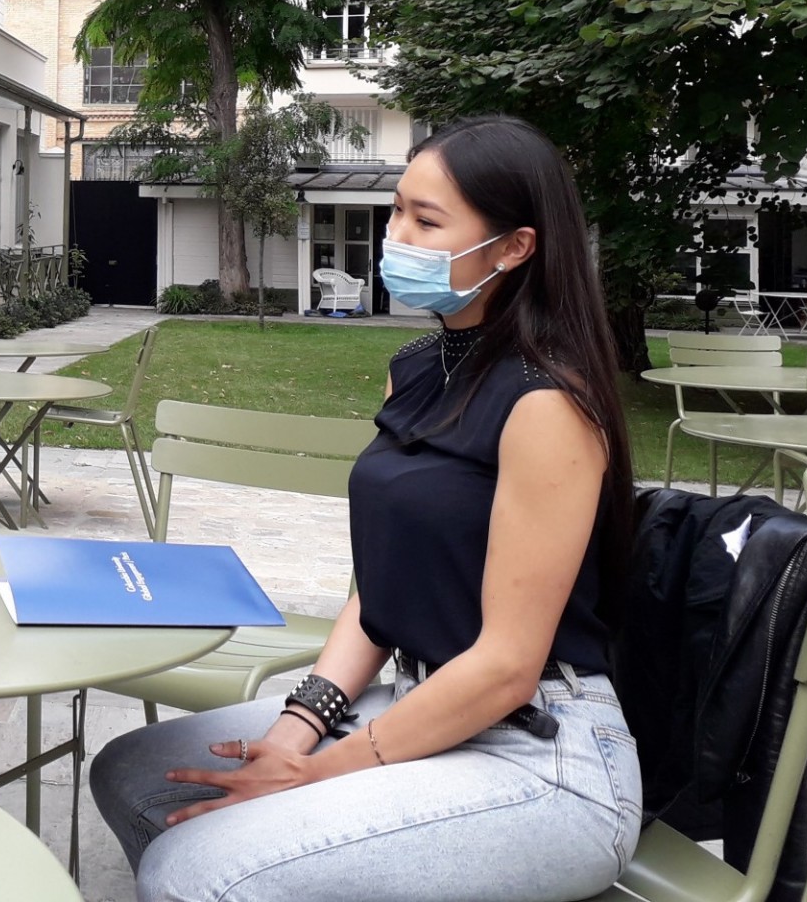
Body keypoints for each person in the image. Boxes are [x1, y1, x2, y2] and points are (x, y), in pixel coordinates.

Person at [91, 115, 642, 902]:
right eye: (397, 210)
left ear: (515, 247)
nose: (397, 236)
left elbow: (506, 669)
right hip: (423, 703)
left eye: (427, 220)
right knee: (134, 773)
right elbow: (375, 595)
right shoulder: (414, 370)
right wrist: (297, 725)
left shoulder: (548, 405)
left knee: (198, 872)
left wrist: (314, 774)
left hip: (540, 753)